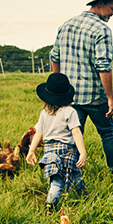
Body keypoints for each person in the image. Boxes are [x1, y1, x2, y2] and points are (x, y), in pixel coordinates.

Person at [49, 0, 113, 177]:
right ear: (100, 4)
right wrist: (110, 97)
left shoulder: (65, 25)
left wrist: (58, 88)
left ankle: (68, 174)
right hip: (94, 95)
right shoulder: (102, 29)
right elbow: (104, 65)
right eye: (112, 8)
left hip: (69, 97)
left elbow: (54, 56)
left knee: (71, 136)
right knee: (107, 133)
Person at [26, 72, 87, 211]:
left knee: (67, 174)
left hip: (49, 149)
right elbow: (76, 132)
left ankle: (82, 193)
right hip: (67, 149)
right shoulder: (70, 111)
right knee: (61, 179)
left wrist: (31, 151)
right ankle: (51, 206)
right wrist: (82, 152)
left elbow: (39, 133)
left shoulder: (44, 113)